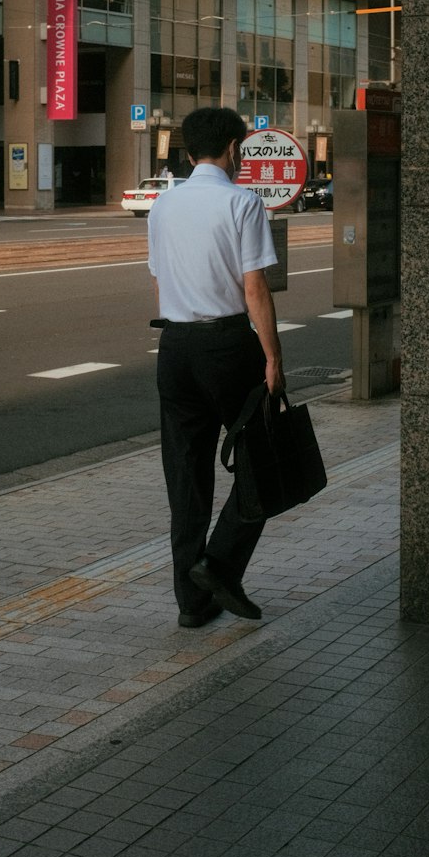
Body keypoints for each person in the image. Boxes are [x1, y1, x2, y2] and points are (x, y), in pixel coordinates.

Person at [148, 106, 284, 629]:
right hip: (228, 346)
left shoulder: (163, 205)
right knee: (264, 459)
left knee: (185, 476)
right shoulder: (242, 202)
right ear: (233, 149)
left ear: (187, 153)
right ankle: (219, 564)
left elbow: (159, 283)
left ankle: (191, 602)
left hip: (175, 348)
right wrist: (273, 357)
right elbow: (255, 288)